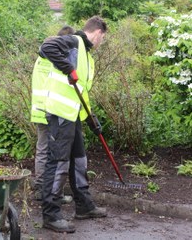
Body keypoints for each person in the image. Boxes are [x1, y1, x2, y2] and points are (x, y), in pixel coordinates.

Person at [33, 16, 108, 233]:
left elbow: (81, 92)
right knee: (57, 163)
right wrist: (68, 68)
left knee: (79, 159)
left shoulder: (86, 56)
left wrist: (91, 118)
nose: (102, 42)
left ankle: (84, 205)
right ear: (98, 32)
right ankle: (51, 214)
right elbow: (46, 46)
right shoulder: (74, 42)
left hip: (73, 115)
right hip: (59, 113)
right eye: (103, 38)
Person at [31, 25, 75, 204]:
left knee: (42, 150)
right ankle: (52, 191)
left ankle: (40, 188)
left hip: (39, 109)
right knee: (55, 152)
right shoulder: (55, 61)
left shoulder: (40, 60)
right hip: (52, 110)